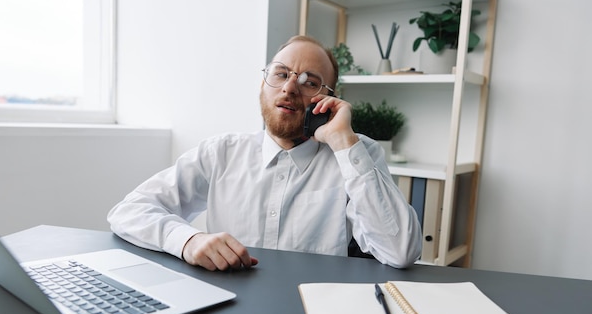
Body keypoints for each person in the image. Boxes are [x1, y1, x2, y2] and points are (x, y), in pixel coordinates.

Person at [108, 35, 422, 271]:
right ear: (263, 85)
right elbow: (128, 211)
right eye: (281, 74)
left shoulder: (356, 152)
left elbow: (401, 251)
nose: (289, 88)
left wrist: (343, 142)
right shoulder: (221, 153)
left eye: (309, 82)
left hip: (318, 312)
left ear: (329, 101)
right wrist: (187, 241)